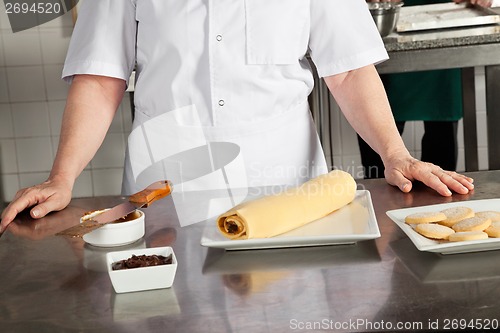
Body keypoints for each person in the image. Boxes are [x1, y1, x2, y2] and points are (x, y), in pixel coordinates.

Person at [0, 0, 475, 233]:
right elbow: (101, 76)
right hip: (168, 181)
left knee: (292, 303)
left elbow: (349, 69)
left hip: (289, 184)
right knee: (172, 312)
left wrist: (394, 153)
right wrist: (62, 178)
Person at [359, 0, 496, 179]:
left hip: (444, 22)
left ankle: (440, 202)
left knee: (441, 138)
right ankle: (379, 203)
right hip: (387, 25)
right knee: (380, 147)